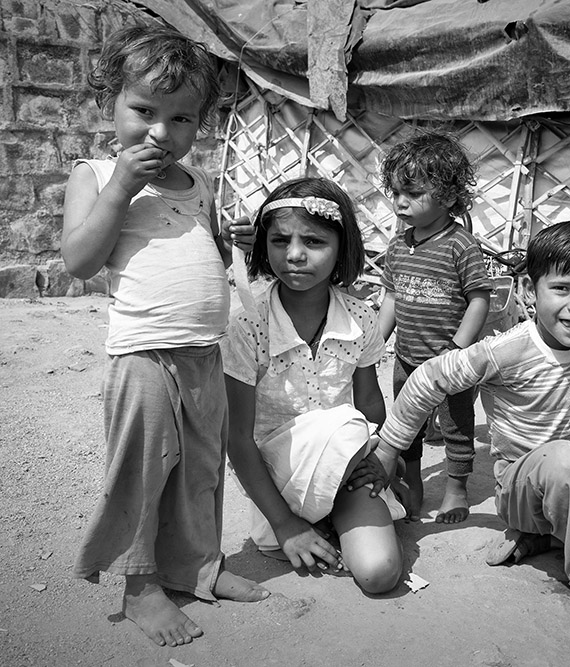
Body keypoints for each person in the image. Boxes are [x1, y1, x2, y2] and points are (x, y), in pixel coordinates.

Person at [367, 221, 570, 615]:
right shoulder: (506, 352)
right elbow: (429, 378)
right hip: (523, 491)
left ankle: (552, 537)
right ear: (530, 290)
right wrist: (389, 448)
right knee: (563, 458)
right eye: (561, 288)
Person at [63, 24, 268, 648]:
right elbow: (79, 261)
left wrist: (229, 243)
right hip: (144, 355)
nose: (161, 132)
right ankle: (139, 583)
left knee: (201, 469)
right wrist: (122, 188)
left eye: (181, 118)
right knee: (145, 471)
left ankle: (197, 565)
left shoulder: (199, 181)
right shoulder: (95, 174)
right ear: (110, 104)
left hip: (204, 352)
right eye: (144, 111)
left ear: (200, 124)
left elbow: (202, 251)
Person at [221, 177, 405, 595]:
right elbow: (238, 438)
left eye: (314, 242)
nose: (294, 255)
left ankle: (339, 513)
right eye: (280, 240)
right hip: (280, 479)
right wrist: (285, 524)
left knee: (378, 573)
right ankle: (302, 522)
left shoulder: (361, 317)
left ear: (343, 247)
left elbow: (370, 402)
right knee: (284, 541)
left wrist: (386, 459)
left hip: (346, 465)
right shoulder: (248, 325)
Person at [377, 132, 493, 524]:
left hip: (449, 362)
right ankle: (413, 482)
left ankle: (456, 488)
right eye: (396, 193)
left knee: (456, 426)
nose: (400, 202)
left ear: (447, 196)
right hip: (407, 358)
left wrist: (457, 347)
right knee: (405, 424)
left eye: (412, 193)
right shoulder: (397, 246)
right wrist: (376, 340)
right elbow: (391, 296)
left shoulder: (461, 245)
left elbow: (479, 299)